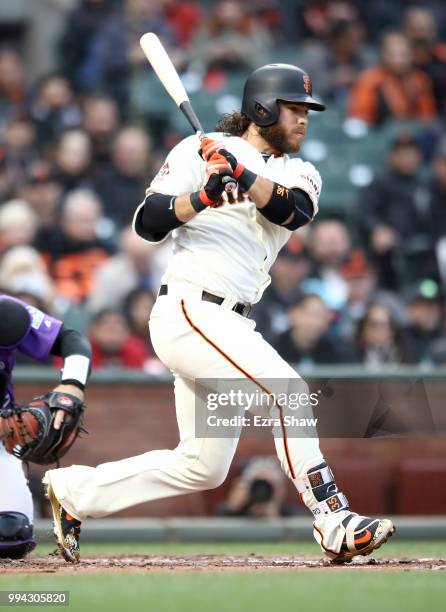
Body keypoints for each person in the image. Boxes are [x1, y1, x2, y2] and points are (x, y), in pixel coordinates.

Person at [43, 63, 394, 564]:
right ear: (263, 108)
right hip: (189, 310)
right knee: (289, 394)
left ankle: (75, 491)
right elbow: (147, 223)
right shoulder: (194, 150)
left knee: (203, 467)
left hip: (230, 320)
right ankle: (332, 517)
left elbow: (290, 211)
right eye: (294, 108)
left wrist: (242, 173)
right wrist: (203, 196)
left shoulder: (301, 171)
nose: (303, 120)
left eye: (306, 111)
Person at [0, 294, 91, 558]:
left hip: (2, 438)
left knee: (11, 534)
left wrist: (72, 384)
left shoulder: (6, 312)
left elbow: (71, 340)